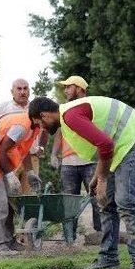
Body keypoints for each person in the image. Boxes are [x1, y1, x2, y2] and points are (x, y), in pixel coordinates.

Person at [29, 93, 135, 269]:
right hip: (121, 149)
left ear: (45, 115)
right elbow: (103, 146)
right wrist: (98, 176)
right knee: (104, 202)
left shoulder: (70, 116)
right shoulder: (68, 117)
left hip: (134, 144)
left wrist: (102, 180)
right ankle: (108, 259)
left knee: (126, 203)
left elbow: (105, 144)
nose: (42, 128)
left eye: (39, 124)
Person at [50, 76, 113, 245]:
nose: (65, 91)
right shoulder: (64, 111)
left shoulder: (89, 107)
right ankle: (69, 238)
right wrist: (54, 154)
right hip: (69, 164)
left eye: (68, 87)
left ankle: (101, 234)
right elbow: (58, 135)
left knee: (97, 197)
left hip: (90, 161)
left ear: (79, 88)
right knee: (69, 201)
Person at [0, 112, 42, 256]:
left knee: (9, 203)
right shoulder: (22, 126)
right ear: (41, 116)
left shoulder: (31, 127)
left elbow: (25, 150)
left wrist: (29, 172)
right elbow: (2, 150)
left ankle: (9, 242)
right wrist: (10, 175)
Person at [0, 78, 48, 193]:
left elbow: (45, 129)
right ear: (12, 92)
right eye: (19, 89)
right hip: (8, 158)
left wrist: (41, 147)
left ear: (29, 91)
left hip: (31, 157)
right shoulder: (3, 108)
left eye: (25, 88)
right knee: (11, 194)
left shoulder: (35, 108)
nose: (22, 92)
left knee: (31, 195)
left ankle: (27, 212)